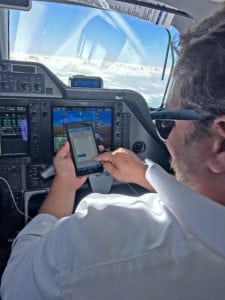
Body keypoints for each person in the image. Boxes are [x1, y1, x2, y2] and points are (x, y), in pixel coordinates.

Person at [2, 6, 225, 300]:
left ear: (220, 145)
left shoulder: (93, 244)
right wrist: (147, 175)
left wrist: (65, 184)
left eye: (168, 122)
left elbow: (15, 284)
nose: (166, 136)